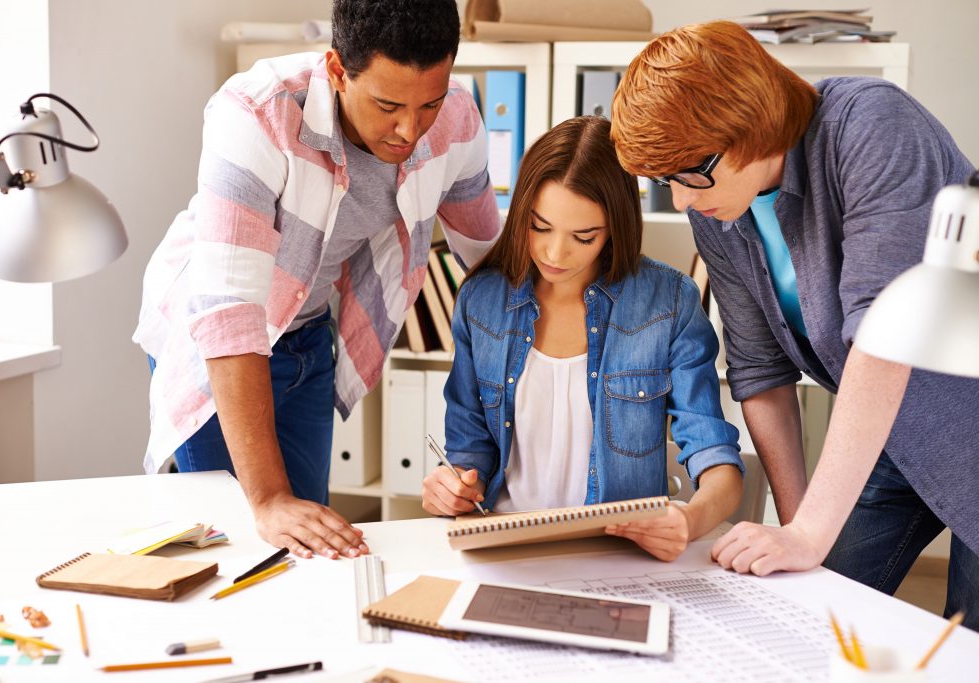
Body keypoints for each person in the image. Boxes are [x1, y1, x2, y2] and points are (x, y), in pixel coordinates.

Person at [610, 20, 979, 626]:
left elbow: (883, 340)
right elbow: (759, 371)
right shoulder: (716, 206)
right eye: (664, 182)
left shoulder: (872, 127)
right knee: (807, 606)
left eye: (688, 174)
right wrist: (795, 528)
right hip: (892, 435)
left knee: (966, 639)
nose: (679, 199)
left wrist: (810, 531)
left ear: (749, 126)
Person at [133, 0, 500, 560]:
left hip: (306, 331)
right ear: (336, 70)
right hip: (211, 338)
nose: (410, 130)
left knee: (308, 542)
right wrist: (270, 498)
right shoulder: (256, 113)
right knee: (234, 545)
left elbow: (490, 261)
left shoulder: (455, 117)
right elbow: (229, 316)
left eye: (429, 102)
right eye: (387, 105)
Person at [422, 116, 744, 561]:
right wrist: (451, 486)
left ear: (615, 228)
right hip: (506, 552)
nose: (555, 254)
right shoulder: (481, 301)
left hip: (618, 555)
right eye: (539, 226)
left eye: (583, 236)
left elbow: (717, 460)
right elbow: (469, 453)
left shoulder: (668, 302)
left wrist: (688, 520)